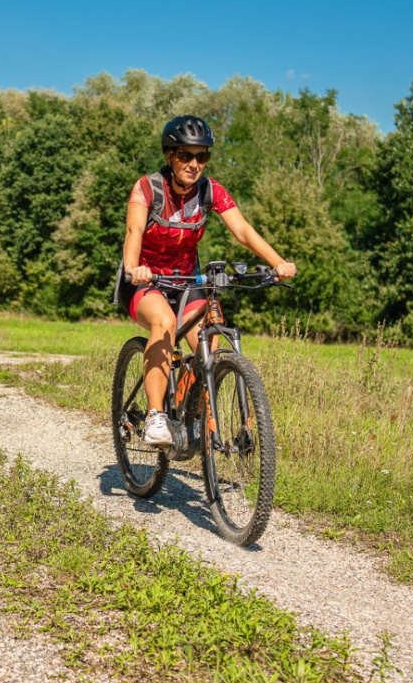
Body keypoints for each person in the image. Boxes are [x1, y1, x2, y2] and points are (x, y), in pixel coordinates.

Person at [118, 114, 296, 446]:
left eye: (202, 156)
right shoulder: (148, 188)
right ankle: (155, 417)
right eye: (186, 155)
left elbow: (242, 230)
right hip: (146, 280)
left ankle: (192, 418)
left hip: (187, 279)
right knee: (164, 323)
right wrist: (133, 267)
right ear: (170, 156)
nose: (194, 163)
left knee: (208, 348)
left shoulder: (210, 190)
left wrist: (278, 262)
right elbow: (134, 231)